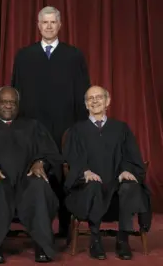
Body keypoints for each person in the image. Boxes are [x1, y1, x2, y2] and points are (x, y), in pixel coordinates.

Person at [11, 6, 91, 236]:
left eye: (52, 22)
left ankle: (65, 227)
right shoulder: (24, 56)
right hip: (33, 128)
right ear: (38, 25)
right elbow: (15, 94)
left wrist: (80, 127)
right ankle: (36, 227)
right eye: (44, 22)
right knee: (35, 176)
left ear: (59, 25)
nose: (48, 26)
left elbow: (83, 93)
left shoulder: (73, 55)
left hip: (65, 125)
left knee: (63, 175)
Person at [0, 87, 63, 263]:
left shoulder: (33, 126)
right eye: (3, 102)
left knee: (39, 186)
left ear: (18, 105)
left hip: (27, 182)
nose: (8, 106)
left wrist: (41, 162)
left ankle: (42, 245)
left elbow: (51, 154)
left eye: (12, 102)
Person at [63, 85, 152, 260]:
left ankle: (123, 239)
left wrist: (125, 171)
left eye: (99, 97)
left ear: (107, 101)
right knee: (93, 185)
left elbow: (132, 156)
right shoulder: (77, 131)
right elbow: (71, 158)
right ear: (86, 105)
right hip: (87, 188)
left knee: (129, 186)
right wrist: (85, 171)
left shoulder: (121, 129)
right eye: (90, 99)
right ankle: (95, 239)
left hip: (116, 187)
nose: (95, 101)